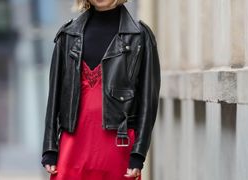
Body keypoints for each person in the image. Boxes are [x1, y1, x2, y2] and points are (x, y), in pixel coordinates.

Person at [41, 0, 161, 179]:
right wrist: (50, 148)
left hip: (117, 147)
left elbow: (148, 101)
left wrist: (138, 154)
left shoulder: (140, 36)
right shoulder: (67, 35)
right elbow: (54, 96)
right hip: (72, 145)